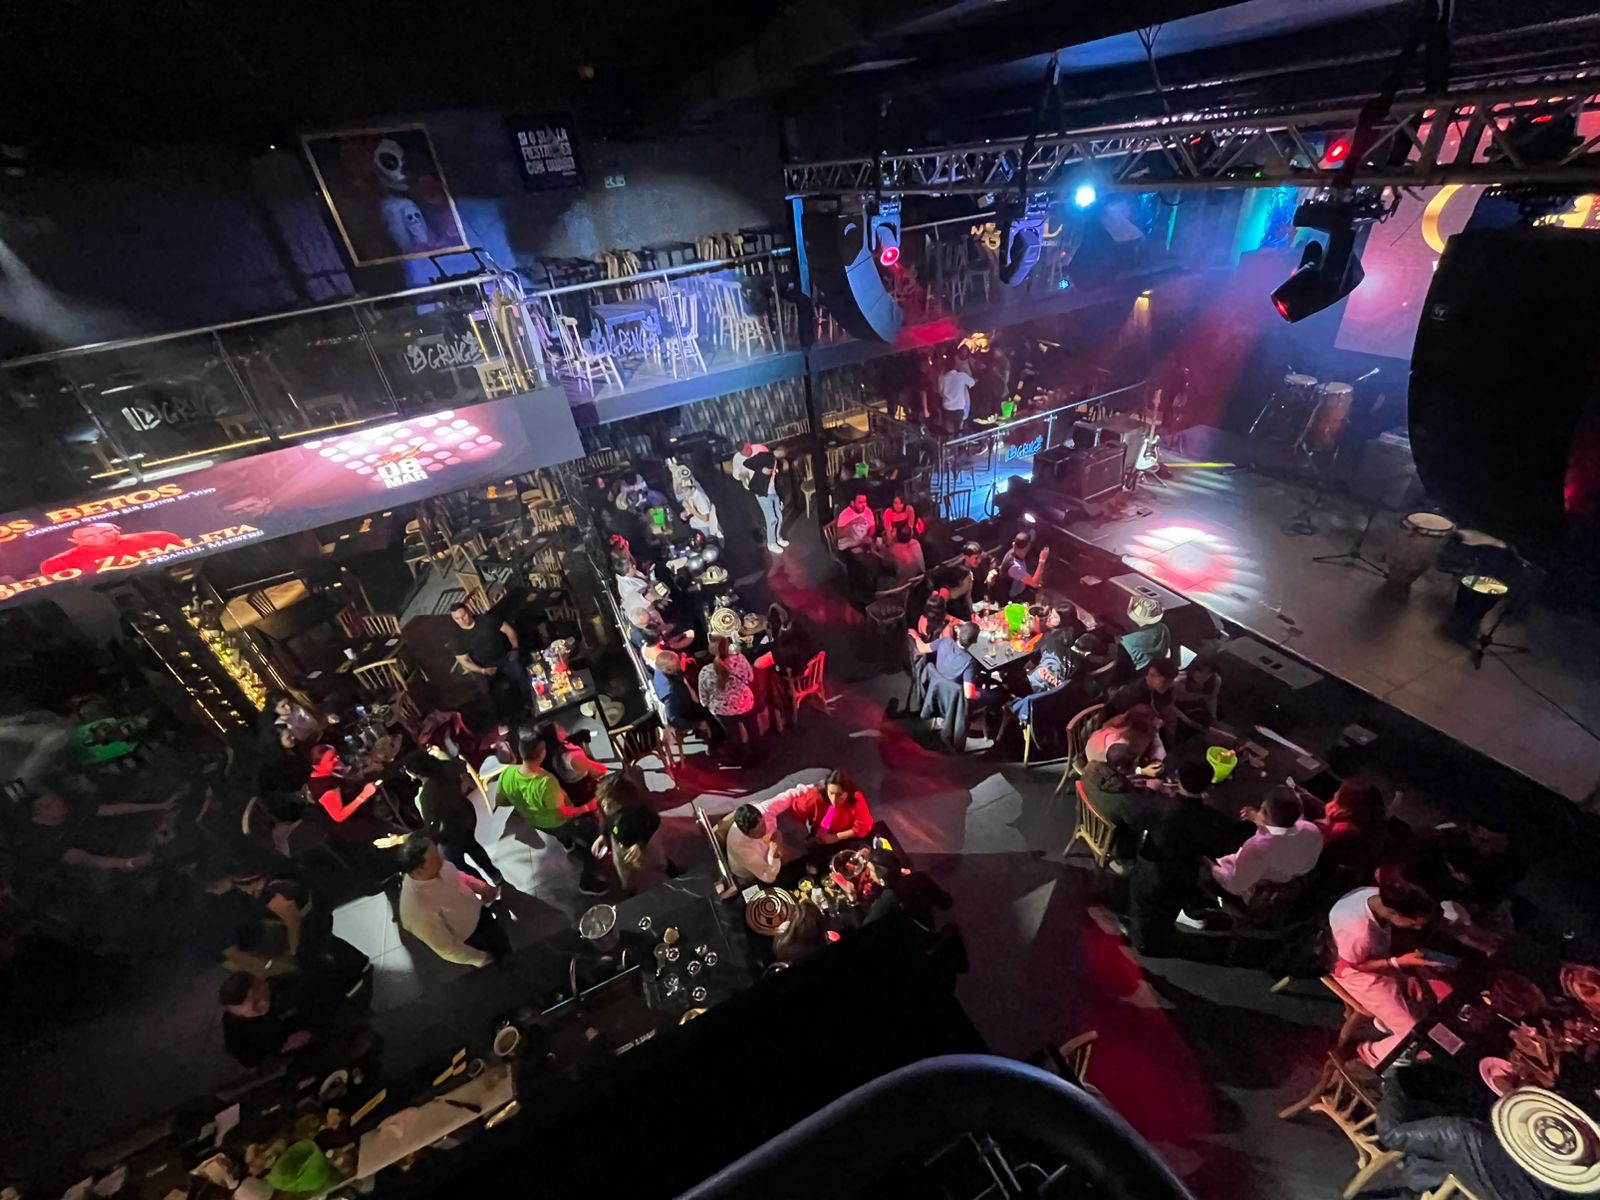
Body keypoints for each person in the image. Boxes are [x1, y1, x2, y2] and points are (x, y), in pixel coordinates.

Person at [1327, 870, 1452, 1067]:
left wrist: (1406, 970)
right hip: (1355, 973)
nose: (1417, 928)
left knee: (1429, 989)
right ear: (1395, 913)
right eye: (1414, 923)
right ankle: (1371, 1054)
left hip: (1378, 957)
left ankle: (1386, 1021)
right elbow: (1356, 964)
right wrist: (1397, 963)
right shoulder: (1359, 932)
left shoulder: (1377, 896)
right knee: (1414, 1036)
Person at [1128, 762, 1251, 954]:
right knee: (1167, 912)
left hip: (1151, 868)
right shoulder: (1210, 818)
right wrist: (1249, 825)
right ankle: (1155, 941)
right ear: (1207, 786)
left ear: (1178, 780)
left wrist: (1153, 792)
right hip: (1182, 873)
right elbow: (1224, 846)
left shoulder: (1159, 805)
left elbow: (1136, 819)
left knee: (1143, 908)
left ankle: (1143, 943)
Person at [493, 731, 607, 894]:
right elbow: (563, 814)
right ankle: (587, 881)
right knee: (593, 844)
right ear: (542, 753)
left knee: (561, 835)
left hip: (535, 822)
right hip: (555, 821)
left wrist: (524, 806)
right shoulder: (546, 782)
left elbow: (501, 801)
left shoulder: (507, 774)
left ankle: (568, 844)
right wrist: (587, 807)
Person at [396, 835, 509, 967]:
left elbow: (458, 877)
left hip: (482, 914)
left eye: (437, 852)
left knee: (504, 946)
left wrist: (481, 888)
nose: (442, 859)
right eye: (434, 859)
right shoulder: (415, 908)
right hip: (474, 939)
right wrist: (482, 959)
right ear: (419, 870)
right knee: (502, 966)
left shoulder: (438, 865)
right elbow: (446, 948)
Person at [1210, 786, 1324, 904]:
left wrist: (1212, 867)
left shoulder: (1257, 849)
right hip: (1298, 872)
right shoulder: (1310, 829)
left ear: (1265, 813)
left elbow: (1236, 885)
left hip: (1270, 885)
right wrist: (1261, 820)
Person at [402, 749, 501, 886]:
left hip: (451, 829)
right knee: (472, 845)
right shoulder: (447, 767)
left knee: (455, 861)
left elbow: (432, 825)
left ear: (415, 774)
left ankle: (481, 883)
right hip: (466, 814)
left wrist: (409, 838)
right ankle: (494, 874)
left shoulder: (427, 795)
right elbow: (461, 764)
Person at [1081, 741, 1164, 854]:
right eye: (1133, 765)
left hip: (1090, 818)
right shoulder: (1126, 801)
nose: (1136, 767)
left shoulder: (1091, 767)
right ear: (1120, 768)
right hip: (1106, 836)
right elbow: (1140, 823)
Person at [592, 773, 666, 894]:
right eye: (604, 803)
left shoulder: (638, 809)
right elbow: (606, 820)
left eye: (612, 804)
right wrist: (603, 835)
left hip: (642, 844)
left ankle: (668, 869)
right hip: (619, 843)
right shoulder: (607, 808)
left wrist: (639, 844)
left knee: (655, 862)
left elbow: (653, 821)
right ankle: (628, 888)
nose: (606, 808)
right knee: (622, 868)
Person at [450, 603, 533, 709]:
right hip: (483, 666)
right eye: (457, 619)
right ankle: (504, 715)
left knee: (520, 672)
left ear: (469, 611)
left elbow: (509, 631)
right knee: (487, 692)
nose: (462, 620)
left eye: (463, 616)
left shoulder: (486, 620)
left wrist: (515, 648)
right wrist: (482, 670)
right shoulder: (457, 637)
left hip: (504, 656)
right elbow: (464, 660)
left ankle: (531, 702)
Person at [38, 522, 185, 576]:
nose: (100, 537)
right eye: (90, 536)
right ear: (74, 541)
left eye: (105, 532)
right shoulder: (56, 564)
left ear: (117, 529)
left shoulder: (160, 538)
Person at [719, 796, 802, 885]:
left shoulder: (763, 810)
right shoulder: (742, 849)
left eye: (762, 825)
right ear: (745, 834)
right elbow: (768, 877)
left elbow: (788, 796)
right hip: (752, 873)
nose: (763, 831)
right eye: (756, 832)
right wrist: (773, 855)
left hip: (770, 846)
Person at [780, 770, 875, 845]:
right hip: (819, 834)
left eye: (839, 794)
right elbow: (798, 809)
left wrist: (835, 837)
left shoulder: (856, 800)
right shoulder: (814, 797)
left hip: (846, 836)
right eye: (831, 793)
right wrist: (804, 831)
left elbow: (864, 826)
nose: (833, 799)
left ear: (847, 792)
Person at [698, 636, 759, 751]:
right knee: (752, 729)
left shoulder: (705, 671)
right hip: (744, 703)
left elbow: (703, 700)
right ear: (727, 647)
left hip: (722, 710)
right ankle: (758, 752)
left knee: (733, 734)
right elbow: (750, 678)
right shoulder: (740, 659)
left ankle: (740, 755)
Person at [651, 650, 716, 746]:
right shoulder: (670, 693)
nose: (680, 663)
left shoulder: (661, 668)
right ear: (669, 670)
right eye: (678, 663)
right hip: (686, 711)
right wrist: (697, 724)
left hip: (686, 694)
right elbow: (673, 719)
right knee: (714, 709)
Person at [741, 441, 787, 554]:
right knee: (772, 519)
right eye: (782, 452)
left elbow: (776, 478)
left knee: (779, 517)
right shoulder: (764, 456)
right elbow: (747, 463)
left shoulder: (776, 461)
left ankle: (777, 538)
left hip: (772, 491)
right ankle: (771, 543)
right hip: (762, 492)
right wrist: (760, 469)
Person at [1085, 704, 1167, 767]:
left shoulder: (1145, 731)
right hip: (1105, 769)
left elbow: (1156, 743)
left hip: (1126, 765)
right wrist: (1142, 771)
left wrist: (1156, 760)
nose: (1159, 722)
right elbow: (1120, 769)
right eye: (1152, 719)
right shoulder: (1118, 742)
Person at [1108, 659, 1178, 731]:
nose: (1171, 685)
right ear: (1152, 674)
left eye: (1172, 680)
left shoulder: (1166, 691)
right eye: (1165, 681)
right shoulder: (1132, 695)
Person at [990, 531, 1049, 602]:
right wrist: (1042, 560)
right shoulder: (1015, 567)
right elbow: (1035, 584)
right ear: (1028, 547)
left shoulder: (1014, 552)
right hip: (1011, 596)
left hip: (1017, 584)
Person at [672, 460, 722, 541]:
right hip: (694, 524)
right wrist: (686, 512)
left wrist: (691, 509)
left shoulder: (700, 498)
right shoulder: (690, 492)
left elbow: (705, 519)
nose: (683, 492)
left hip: (703, 527)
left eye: (685, 490)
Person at [1170, 656, 1221, 735]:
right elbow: (1169, 705)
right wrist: (1188, 721)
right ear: (1192, 668)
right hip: (1174, 707)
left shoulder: (1215, 681)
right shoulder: (1178, 682)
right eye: (1200, 670)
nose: (1203, 675)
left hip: (1195, 707)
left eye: (1209, 672)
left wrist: (1213, 717)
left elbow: (1212, 699)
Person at [1119, 596, 1172, 672]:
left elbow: (1118, 644)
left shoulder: (1130, 640)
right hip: (1157, 667)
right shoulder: (1163, 628)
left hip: (1140, 670)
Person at [944, 543, 989, 620]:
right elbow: (940, 604)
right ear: (966, 557)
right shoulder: (955, 575)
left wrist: (972, 613)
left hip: (961, 610)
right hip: (950, 613)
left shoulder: (970, 574)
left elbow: (968, 597)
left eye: (980, 558)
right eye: (976, 558)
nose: (979, 561)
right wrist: (952, 619)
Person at [939, 352, 976, 432]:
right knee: (959, 432)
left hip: (947, 409)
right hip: (959, 409)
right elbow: (972, 383)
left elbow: (940, 392)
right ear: (955, 365)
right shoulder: (961, 376)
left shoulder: (942, 378)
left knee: (948, 432)